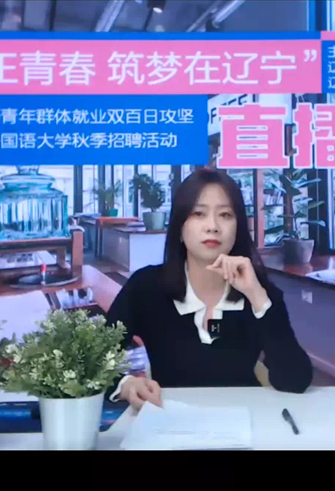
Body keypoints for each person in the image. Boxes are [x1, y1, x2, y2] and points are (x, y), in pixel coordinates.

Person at [106, 168, 313, 411]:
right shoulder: (145, 288)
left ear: (238, 228)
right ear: (180, 227)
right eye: (198, 214)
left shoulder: (260, 291)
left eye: (225, 215)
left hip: (245, 421)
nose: (212, 226)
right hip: (169, 422)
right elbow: (90, 363)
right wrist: (126, 384)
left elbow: (295, 380)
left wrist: (257, 297)